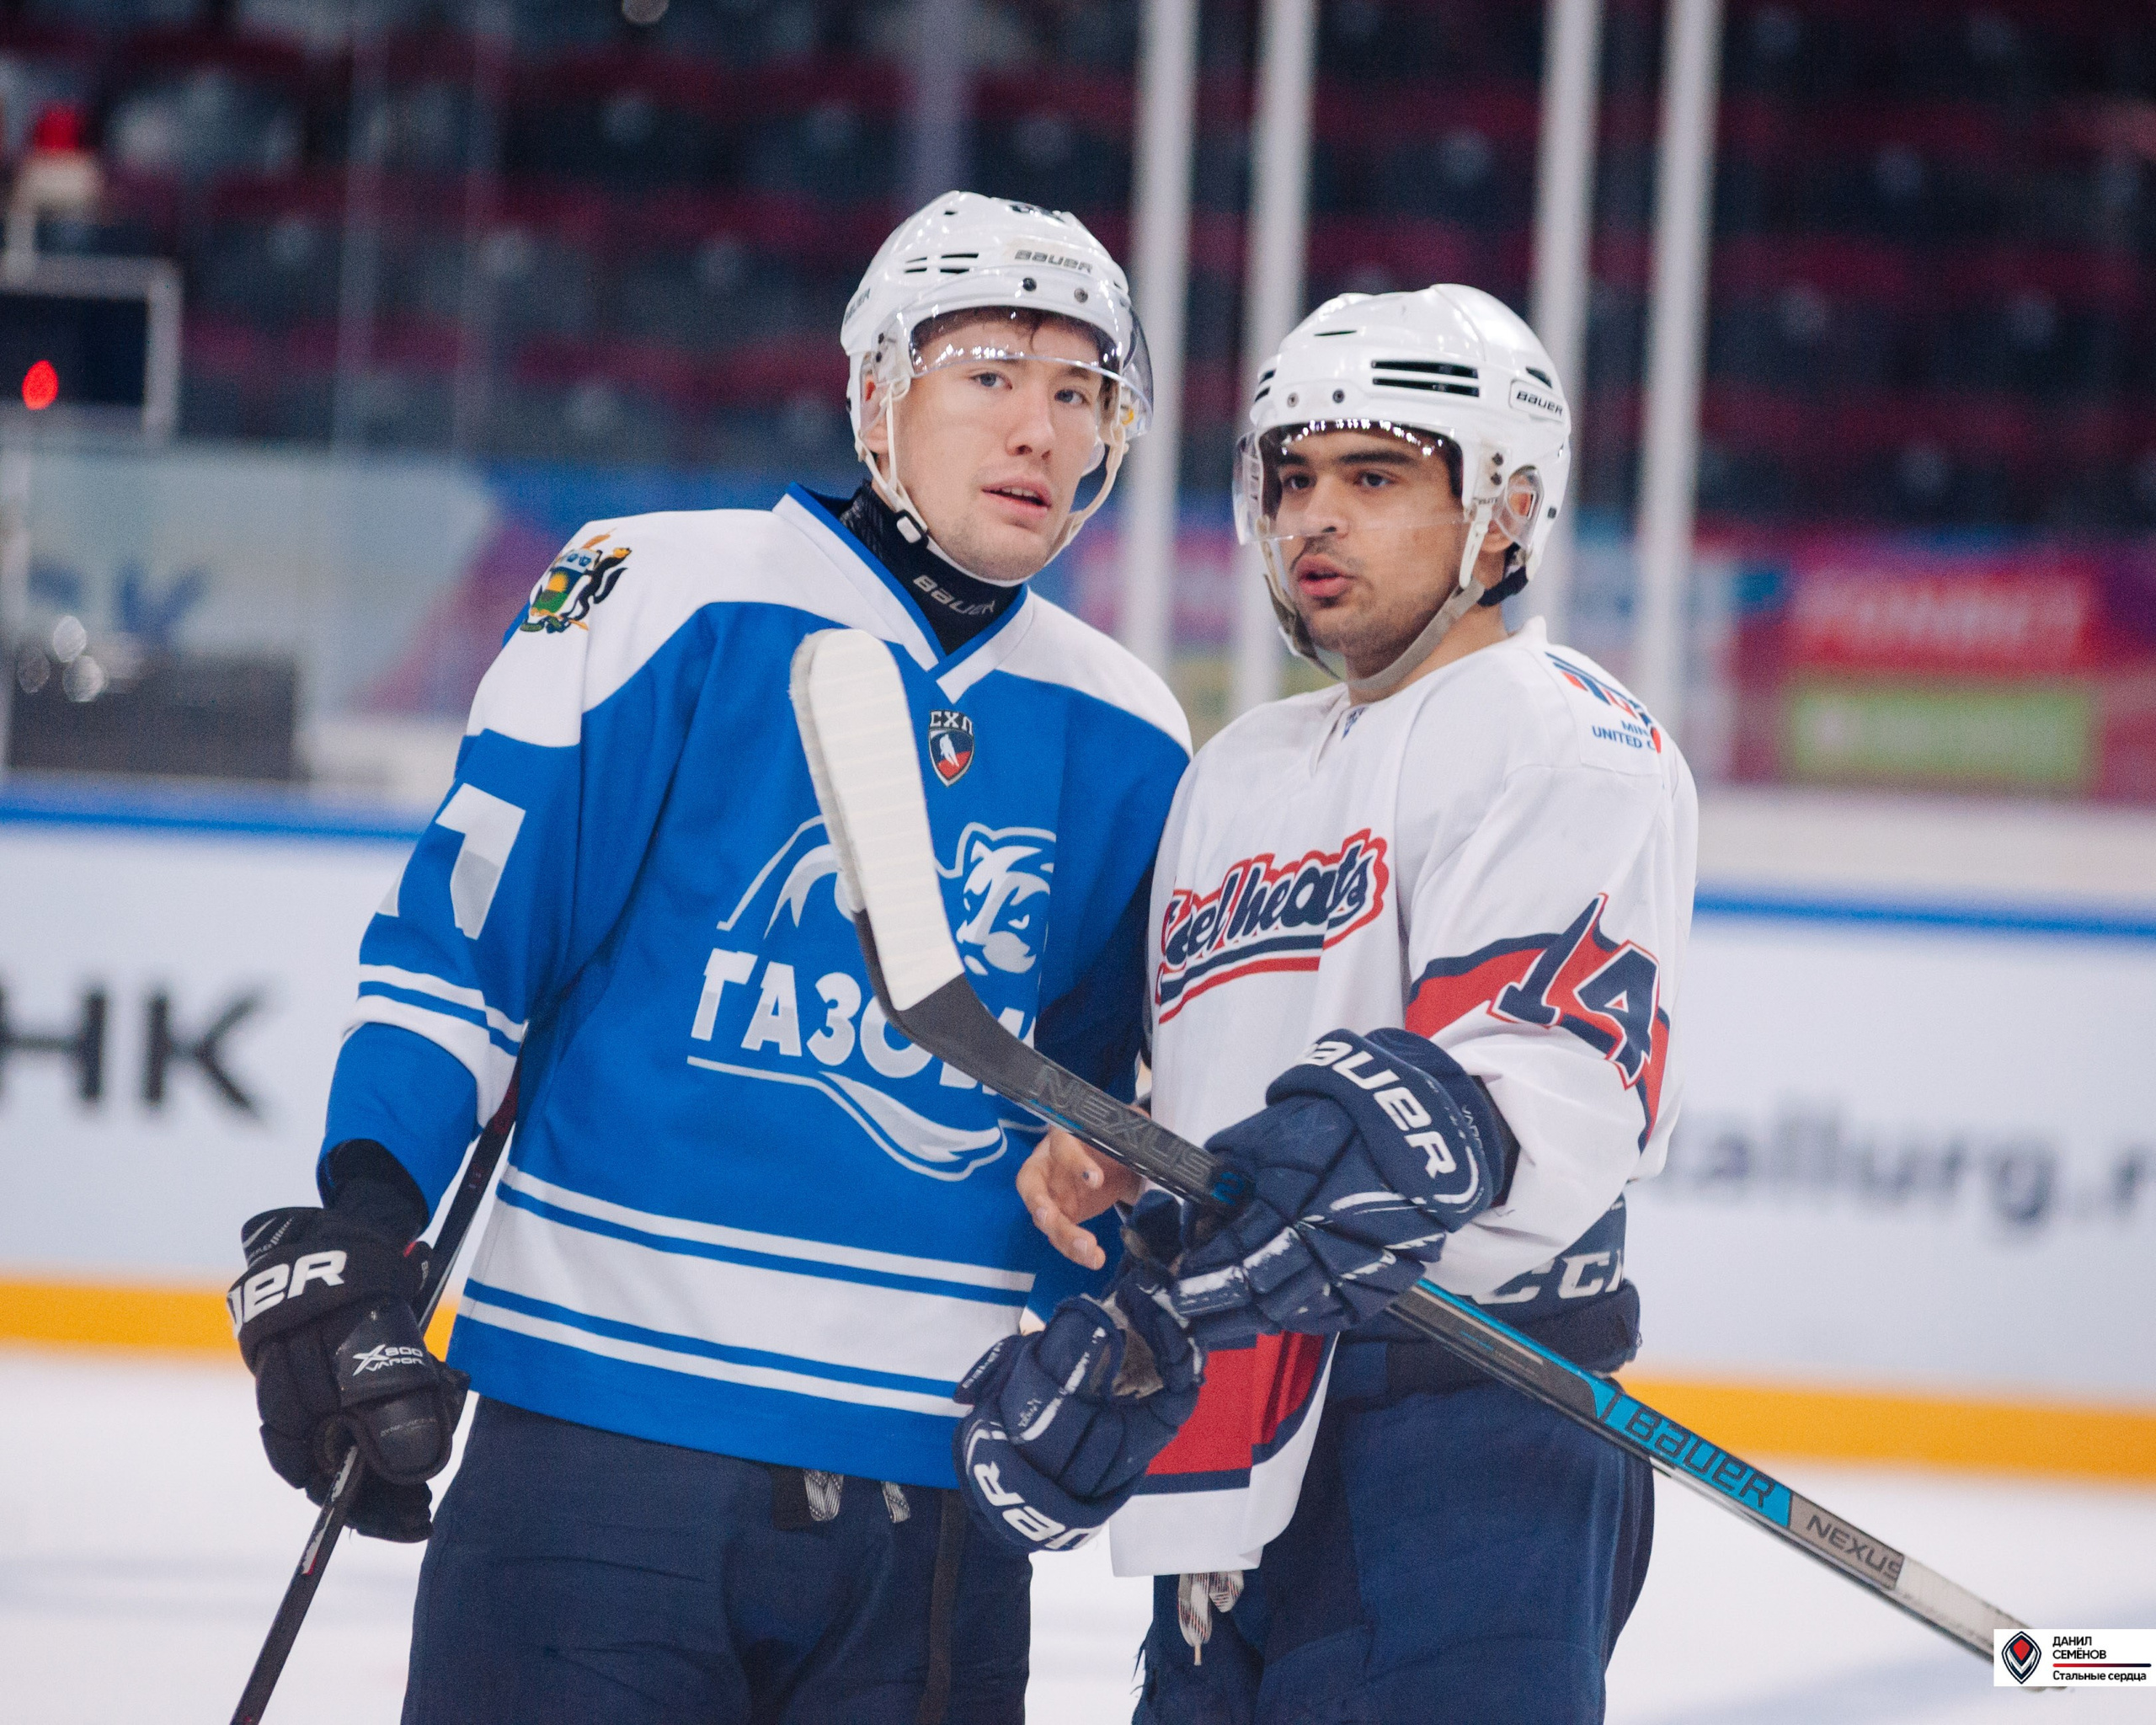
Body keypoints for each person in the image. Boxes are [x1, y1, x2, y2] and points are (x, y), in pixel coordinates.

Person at [226, 191, 1194, 1725]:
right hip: (601, 1462)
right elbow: (468, 946)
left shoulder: (1132, 729)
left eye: (1081, 393)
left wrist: (1115, 1307)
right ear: (879, 394)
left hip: (931, 1503)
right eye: (991, 374)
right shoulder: (665, 590)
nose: (1041, 431)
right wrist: (369, 1220)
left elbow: (1091, 1123)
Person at [1013, 284, 1698, 1722]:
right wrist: (1124, 1160)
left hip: (1460, 1440)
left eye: (1376, 477)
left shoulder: (1566, 735)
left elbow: (1497, 1117)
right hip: (1234, 1447)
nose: (1313, 518)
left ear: (1505, 510)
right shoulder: (1238, 770)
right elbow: (1223, 1108)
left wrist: (1190, 1290)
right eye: (1292, 478)